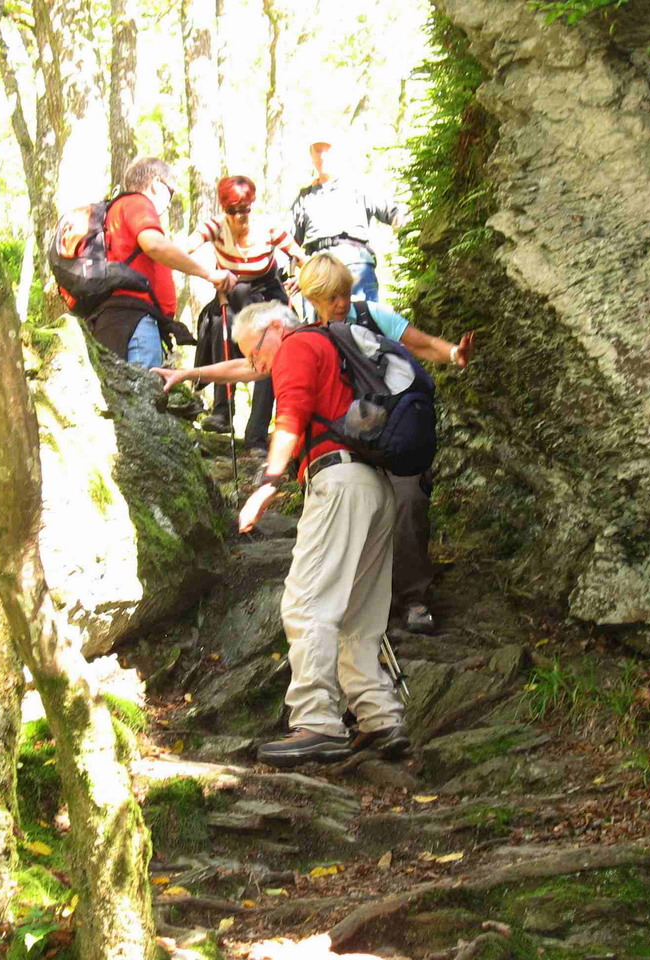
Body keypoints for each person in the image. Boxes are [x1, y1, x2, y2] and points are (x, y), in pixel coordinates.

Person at [152, 253, 475, 634]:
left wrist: (453, 353)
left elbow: (421, 345)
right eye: (330, 298)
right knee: (370, 510)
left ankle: (413, 597)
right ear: (313, 299)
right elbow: (254, 366)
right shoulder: (305, 336)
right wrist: (193, 372)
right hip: (351, 442)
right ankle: (374, 604)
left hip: (390, 429)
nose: (339, 303)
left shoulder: (369, 316)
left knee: (409, 503)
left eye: (343, 294)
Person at [232, 301, 408, 766]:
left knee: (307, 602)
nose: (257, 365)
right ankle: (380, 718)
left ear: (273, 328)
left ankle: (316, 723)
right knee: (360, 614)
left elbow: (290, 414)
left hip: (338, 481)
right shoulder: (335, 346)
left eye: (253, 353)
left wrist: (268, 483)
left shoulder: (296, 345)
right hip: (376, 486)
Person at [189, 176, 309, 450]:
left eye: (245, 209)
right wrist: (209, 274)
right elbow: (183, 249)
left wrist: (303, 278)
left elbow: (303, 257)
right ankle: (222, 411)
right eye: (233, 211)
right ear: (224, 209)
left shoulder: (268, 227)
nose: (240, 216)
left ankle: (257, 434)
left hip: (267, 295)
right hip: (232, 296)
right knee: (220, 323)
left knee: (271, 350)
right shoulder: (214, 227)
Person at [87, 156, 236, 369]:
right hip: (135, 321)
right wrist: (208, 274)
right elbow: (154, 245)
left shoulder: (118, 211)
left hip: (117, 321)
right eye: (171, 192)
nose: (169, 202)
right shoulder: (138, 203)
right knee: (141, 397)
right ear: (156, 184)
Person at [290, 134, 407, 302]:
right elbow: (289, 241)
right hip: (319, 267)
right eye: (317, 151)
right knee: (321, 326)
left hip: (355, 261)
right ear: (312, 157)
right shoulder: (305, 197)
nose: (322, 156)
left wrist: (407, 227)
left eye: (327, 151)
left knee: (364, 319)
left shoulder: (359, 186)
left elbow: (393, 212)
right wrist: (289, 272)